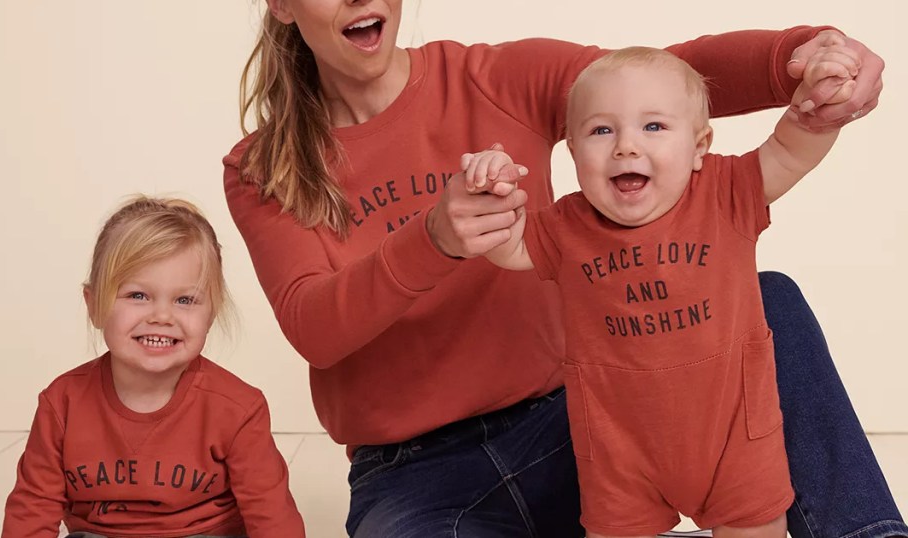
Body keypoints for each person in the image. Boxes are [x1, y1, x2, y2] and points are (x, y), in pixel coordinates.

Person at [223, 1, 903, 536]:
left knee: (766, 300)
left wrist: (801, 56)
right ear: (281, 3)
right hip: (415, 476)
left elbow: (660, 80)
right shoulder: (260, 167)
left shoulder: (492, 78)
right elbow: (314, 327)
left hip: (580, 422)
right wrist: (432, 237)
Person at [462, 45, 853, 537]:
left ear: (699, 145)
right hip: (618, 449)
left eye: (654, 127)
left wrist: (817, 111)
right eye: (601, 130)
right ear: (573, 151)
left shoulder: (728, 192)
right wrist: (489, 196)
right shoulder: (567, 225)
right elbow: (509, 245)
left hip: (734, 434)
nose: (626, 146)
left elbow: (790, 151)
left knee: (754, 525)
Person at [1, 196, 305, 538]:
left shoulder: (238, 409)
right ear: (94, 304)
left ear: (212, 313)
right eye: (137, 296)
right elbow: (32, 509)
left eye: (185, 300)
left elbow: (272, 516)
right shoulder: (62, 403)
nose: (162, 316)